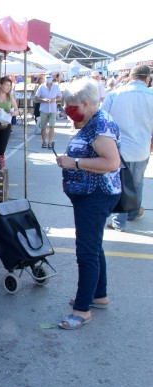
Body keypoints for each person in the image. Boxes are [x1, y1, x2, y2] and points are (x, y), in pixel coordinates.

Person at [54, 77, 121, 330]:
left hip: (96, 196)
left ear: (84, 102)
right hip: (91, 196)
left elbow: (111, 162)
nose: (68, 109)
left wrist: (75, 163)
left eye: (71, 105)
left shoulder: (100, 124)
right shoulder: (94, 120)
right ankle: (98, 295)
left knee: (86, 252)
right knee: (94, 246)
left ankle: (82, 310)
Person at [101, 64, 153, 231]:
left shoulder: (114, 94)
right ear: (147, 78)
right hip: (142, 147)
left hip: (117, 148)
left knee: (120, 183)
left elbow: (101, 120)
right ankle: (133, 212)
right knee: (137, 183)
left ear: (130, 77)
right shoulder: (151, 95)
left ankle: (118, 222)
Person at [35, 74, 62, 149]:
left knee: (52, 126)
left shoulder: (56, 87)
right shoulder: (41, 87)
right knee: (43, 127)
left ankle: (50, 142)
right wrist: (43, 99)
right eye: (47, 77)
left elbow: (60, 96)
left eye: (49, 77)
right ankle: (44, 142)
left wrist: (54, 100)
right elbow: (37, 97)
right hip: (44, 109)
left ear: (52, 78)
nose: (48, 78)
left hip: (53, 109)